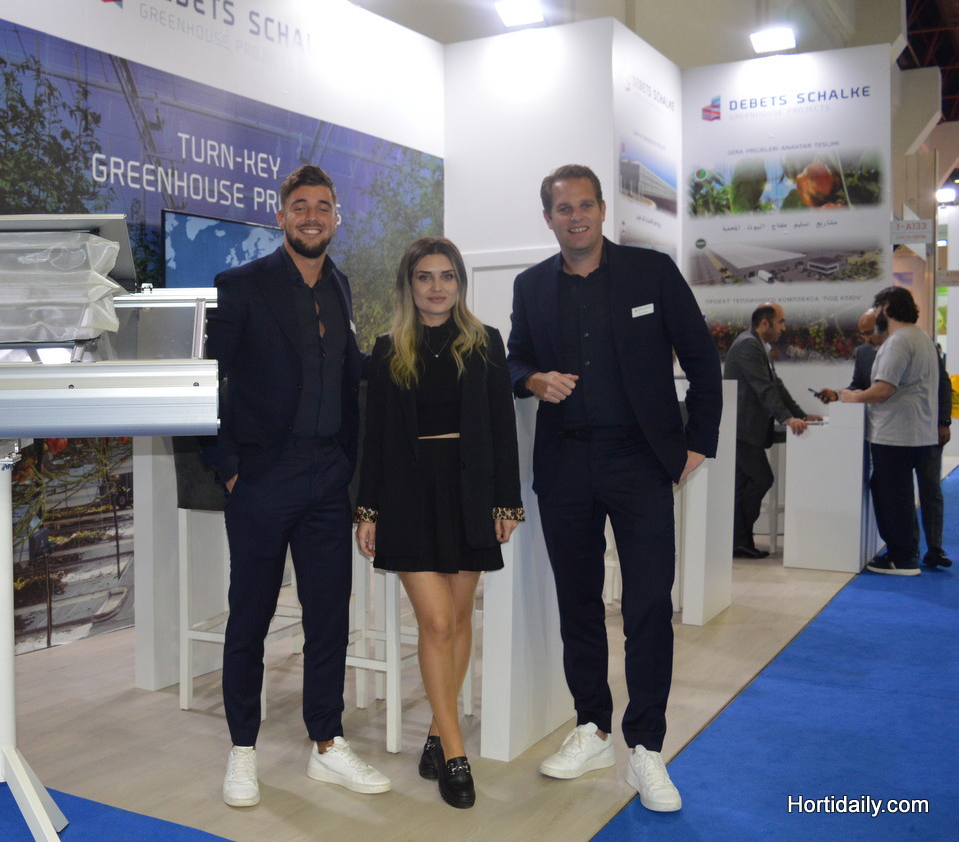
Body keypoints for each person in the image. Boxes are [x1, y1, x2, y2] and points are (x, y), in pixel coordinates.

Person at [506, 164, 722, 813]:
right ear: (549, 218)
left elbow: (700, 356)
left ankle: (646, 747)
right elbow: (516, 356)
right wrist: (532, 380)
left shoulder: (651, 273)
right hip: (565, 463)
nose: (575, 217)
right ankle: (593, 728)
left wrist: (699, 440)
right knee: (579, 603)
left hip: (639, 461)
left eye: (584, 205)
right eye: (562, 209)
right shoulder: (530, 285)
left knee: (649, 604)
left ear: (603, 210)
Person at [205, 164, 390, 807]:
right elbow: (208, 380)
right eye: (301, 206)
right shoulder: (240, 285)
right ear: (280, 215)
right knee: (250, 621)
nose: (312, 217)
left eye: (323, 207)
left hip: (327, 480)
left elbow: (345, 373)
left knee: (329, 619)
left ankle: (327, 745)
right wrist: (229, 465)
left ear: (336, 217)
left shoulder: (339, 285)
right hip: (261, 480)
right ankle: (242, 751)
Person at [354, 237, 523, 809]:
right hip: (407, 496)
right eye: (425, 277)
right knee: (436, 620)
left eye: (446, 276)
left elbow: (503, 427)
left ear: (459, 283)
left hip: (468, 493)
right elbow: (374, 437)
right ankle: (454, 752)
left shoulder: (485, 341)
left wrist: (506, 503)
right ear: (409, 285)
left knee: (457, 619)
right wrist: (368, 508)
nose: (436, 287)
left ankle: (435, 730)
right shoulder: (387, 349)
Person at [818, 309, 953, 569]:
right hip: (891, 433)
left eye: (869, 332)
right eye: (862, 334)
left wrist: (943, 422)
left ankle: (934, 549)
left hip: (925, 430)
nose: (866, 338)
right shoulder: (865, 353)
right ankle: (908, 550)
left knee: (929, 490)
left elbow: (941, 384)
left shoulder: (913, 342)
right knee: (899, 493)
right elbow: (859, 386)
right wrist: (837, 394)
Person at [840, 286, 941, 575]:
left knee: (892, 496)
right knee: (899, 495)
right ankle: (906, 552)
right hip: (917, 431)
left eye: (877, 308)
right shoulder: (921, 337)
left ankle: (902, 557)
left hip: (896, 433)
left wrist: (853, 397)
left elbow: (884, 389)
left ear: (886, 308)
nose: (875, 315)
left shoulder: (898, 341)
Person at [721, 303, 821, 559]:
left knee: (744, 485)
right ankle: (738, 539)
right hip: (742, 429)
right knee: (761, 479)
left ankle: (738, 541)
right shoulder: (748, 345)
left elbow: (776, 385)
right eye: (781, 322)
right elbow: (763, 388)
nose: (783, 328)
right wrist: (786, 418)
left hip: (745, 429)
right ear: (765, 323)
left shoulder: (757, 345)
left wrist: (799, 415)